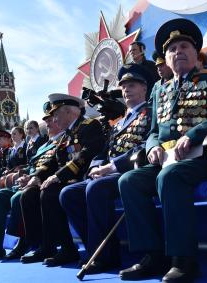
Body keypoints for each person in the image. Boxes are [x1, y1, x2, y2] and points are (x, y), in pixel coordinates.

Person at [117, 18, 207, 283]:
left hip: (206, 158)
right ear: (166, 57)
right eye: (173, 49)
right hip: (168, 160)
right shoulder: (159, 90)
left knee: (169, 178)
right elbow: (153, 131)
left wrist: (196, 132)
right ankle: (153, 255)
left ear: (195, 52)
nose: (179, 52)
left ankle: (184, 260)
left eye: (184, 46)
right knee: (129, 181)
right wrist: (152, 147)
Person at [59, 64, 153, 273]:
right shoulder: (119, 122)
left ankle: (104, 258)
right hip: (109, 171)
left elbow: (146, 145)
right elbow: (103, 150)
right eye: (124, 85)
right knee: (68, 194)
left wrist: (111, 167)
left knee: (96, 189)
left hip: (133, 170)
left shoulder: (151, 111)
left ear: (144, 88)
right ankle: (98, 250)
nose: (127, 89)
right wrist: (96, 166)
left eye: (133, 84)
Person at [0, 102, 65, 263]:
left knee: (17, 197)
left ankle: (23, 241)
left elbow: (56, 166)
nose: (47, 124)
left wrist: (33, 177)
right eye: (46, 121)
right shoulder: (44, 146)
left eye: (51, 120)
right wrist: (24, 174)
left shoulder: (62, 140)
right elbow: (33, 165)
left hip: (43, 183)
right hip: (27, 182)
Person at [19, 93, 105, 266]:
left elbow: (84, 156)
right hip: (65, 179)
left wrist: (57, 176)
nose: (54, 118)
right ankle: (45, 246)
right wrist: (36, 177)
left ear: (69, 112)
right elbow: (52, 161)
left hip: (82, 177)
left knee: (49, 192)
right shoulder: (66, 135)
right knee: (29, 194)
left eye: (56, 114)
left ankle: (67, 249)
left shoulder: (89, 126)